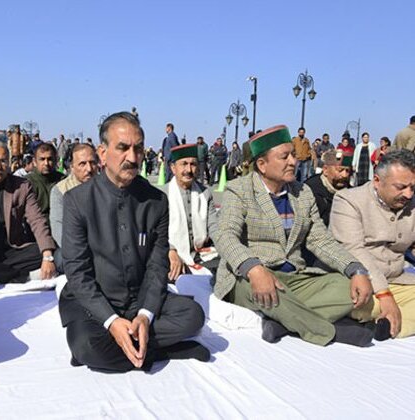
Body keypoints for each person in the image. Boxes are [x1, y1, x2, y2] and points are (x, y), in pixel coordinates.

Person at [59, 112, 208, 373]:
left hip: (138, 298)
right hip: (96, 303)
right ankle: (161, 349)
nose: (132, 157)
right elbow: (78, 274)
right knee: (86, 346)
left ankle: (130, 343)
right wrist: (112, 322)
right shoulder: (77, 201)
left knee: (193, 316)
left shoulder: (155, 201)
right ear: (102, 153)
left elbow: (156, 266)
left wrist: (145, 314)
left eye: (138, 148)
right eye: (123, 148)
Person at [213, 125, 375, 347]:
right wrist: (254, 268)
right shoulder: (239, 190)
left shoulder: (302, 193)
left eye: (293, 155)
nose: (293, 161)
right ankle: (328, 332)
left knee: (349, 288)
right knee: (264, 293)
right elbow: (225, 236)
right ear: (261, 164)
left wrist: (355, 269)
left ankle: (282, 322)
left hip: (294, 278)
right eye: (284, 156)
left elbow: (320, 240)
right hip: (251, 277)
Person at [331, 150, 415, 339]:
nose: (408, 195)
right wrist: (384, 295)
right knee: (350, 301)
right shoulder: (349, 200)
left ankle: (385, 325)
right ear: (377, 180)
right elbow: (353, 249)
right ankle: (387, 317)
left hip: (397, 281)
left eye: (413, 188)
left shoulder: (412, 203)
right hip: (360, 282)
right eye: (401, 187)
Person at [0, 140, 57, 283]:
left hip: (14, 249)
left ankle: (2, 275)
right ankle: (21, 276)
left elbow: (37, 219)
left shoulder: (22, 186)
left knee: (51, 251)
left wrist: (47, 255)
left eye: (3, 161)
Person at [165, 144, 219, 280]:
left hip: (200, 253)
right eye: (183, 164)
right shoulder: (162, 195)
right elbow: (156, 232)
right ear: (173, 168)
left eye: (193, 164)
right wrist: (170, 250)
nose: (188, 170)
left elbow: (215, 227)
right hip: (171, 253)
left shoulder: (205, 193)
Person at [49, 144, 98, 247]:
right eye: (82, 164)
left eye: (92, 163)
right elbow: (58, 229)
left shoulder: (107, 187)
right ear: (72, 167)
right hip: (74, 248)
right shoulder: (60, 191)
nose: (89, 169)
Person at [305, 149, 353, 227]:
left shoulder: (352, 194)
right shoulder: (310, 191)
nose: (344, 175)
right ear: (325, 170)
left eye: (347, 171)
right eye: (340, 170)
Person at [26, 143, 64, 217]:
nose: (46, 163)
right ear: (34, 161)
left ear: (56, 160)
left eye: (50, 159)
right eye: (42, 159)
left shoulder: (63, 181)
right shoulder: (26, 183)